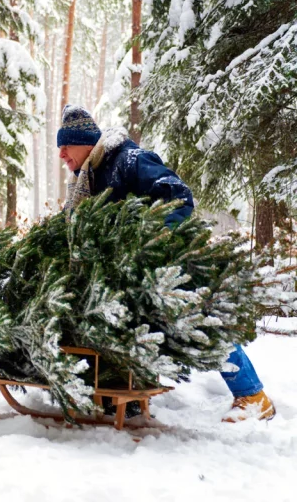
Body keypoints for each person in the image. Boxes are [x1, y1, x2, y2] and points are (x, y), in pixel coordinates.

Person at [56, 105, 276, 422]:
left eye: (67, 145)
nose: (62, 154)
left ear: (86, 141)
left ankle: (254, 398)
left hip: (167, 264)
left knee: (200, 323)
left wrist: (157, 239)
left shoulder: (128, 161)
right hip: (128, 272)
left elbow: (177, 194)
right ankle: (124, 398)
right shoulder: (87, 180)